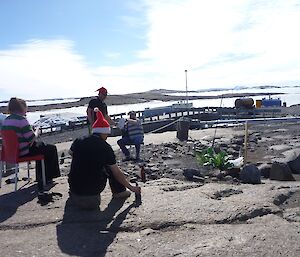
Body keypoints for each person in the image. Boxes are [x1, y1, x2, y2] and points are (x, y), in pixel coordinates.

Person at [68, 108, 141, 210]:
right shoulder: (105, 147)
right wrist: (132, 188)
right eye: (107, 134)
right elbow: (117, 173)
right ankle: (119, 192)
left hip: (74, 189)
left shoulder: (79, 140)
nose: (107, 137)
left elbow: (70, 153)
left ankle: (75, 192)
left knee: (83, 162)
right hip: (92, 196)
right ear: (103, 133)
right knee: (110, 166)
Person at [1, 97, 61, 193]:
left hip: (11, 152)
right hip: (24, 151)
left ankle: (41, 176)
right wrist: (37, 131)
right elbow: (31, 138)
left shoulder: (6, 121)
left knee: (42, 147)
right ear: (21, 108)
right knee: (51, 148)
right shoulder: (21, 120)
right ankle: (47, 177)